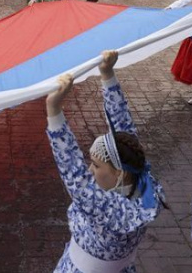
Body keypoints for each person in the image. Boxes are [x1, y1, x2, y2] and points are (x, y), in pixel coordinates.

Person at [44, 51, 165, 273]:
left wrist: (54, 111)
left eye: (97, 165)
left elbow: (74, 174)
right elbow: (124, 130)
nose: (90, 170)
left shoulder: (110, 210)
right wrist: (107, 75)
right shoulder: (144, 185)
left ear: (119, 174)